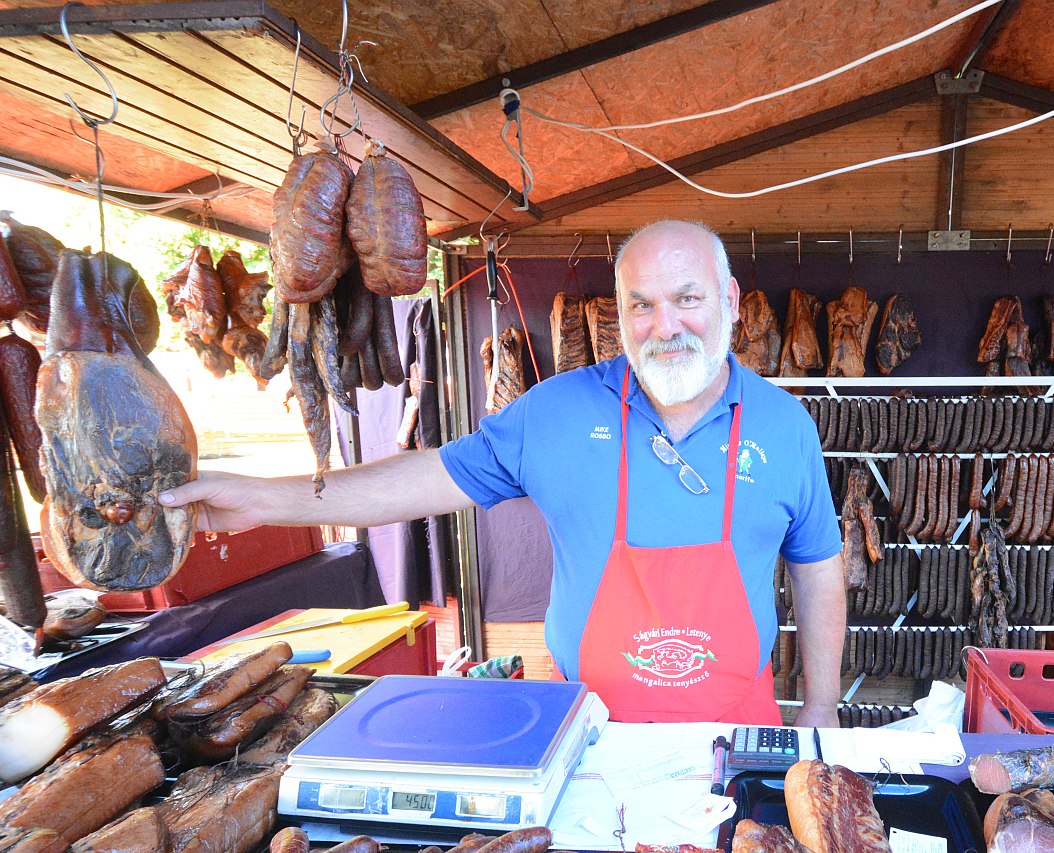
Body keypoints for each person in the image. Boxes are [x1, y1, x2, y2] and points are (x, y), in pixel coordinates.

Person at [160, 219, 845, 726]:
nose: (665, 325)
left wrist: (820, 707)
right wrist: (260, 499)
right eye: (641, 303)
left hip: (739, 731)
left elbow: (818, 569)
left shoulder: (785, 427)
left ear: (727, 296)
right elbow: (423, 477)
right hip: (588, 734)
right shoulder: (556, 413)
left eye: (687, 298)